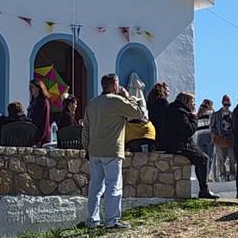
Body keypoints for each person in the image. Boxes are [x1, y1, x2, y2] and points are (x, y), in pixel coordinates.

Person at [82, 73, 148, 229]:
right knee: (113, 186)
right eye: (117, 84)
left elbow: (85, 129)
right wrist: (128, 96)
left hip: (94, 150)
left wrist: (86, 148)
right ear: (113, 85)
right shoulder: (117, 101)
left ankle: (92, 220)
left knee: (95, 187)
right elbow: (139, 112)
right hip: (112, 150)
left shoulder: (92, 103)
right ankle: (111, 221)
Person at [155, 92, 219, 199]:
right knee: (204, 159)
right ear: (186, 102)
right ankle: (204, 190)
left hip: (171, 143)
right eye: (192, 102)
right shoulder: (180, 112)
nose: (194, 105)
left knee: (202, 157)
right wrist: (194, 118)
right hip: (179, 145)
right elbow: (188, 130)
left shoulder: (173, 109)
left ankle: (204, 190)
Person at [210, 95, 236, 181]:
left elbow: (235, 127)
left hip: (230, 139)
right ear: (222, 103)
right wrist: (215, 135)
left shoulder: (232, 114)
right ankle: (222, 175)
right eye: (225, 104)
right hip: (220, 139)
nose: (227, 106)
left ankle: (232, 174)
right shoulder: (216, 114)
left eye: (228, 104)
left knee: (232, 157)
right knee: (221, 158)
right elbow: (212, 127)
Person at [27, 80, 52, 147]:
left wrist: (39, 139)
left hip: (42, 138)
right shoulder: (33, 102)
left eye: (32, 87)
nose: (30, 89)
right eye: (29, 87)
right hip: (33, 135)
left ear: (38, 88)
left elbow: (44, 122)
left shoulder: (44, 102)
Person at [195, 98, 214, 173]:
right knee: (210, 157)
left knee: (203, 158)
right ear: (209, 105)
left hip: (199, 137)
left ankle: (202, 174)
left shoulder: (197, 115)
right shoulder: (211, 113)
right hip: (208, 136)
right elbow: (212, 126)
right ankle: (207, 174)